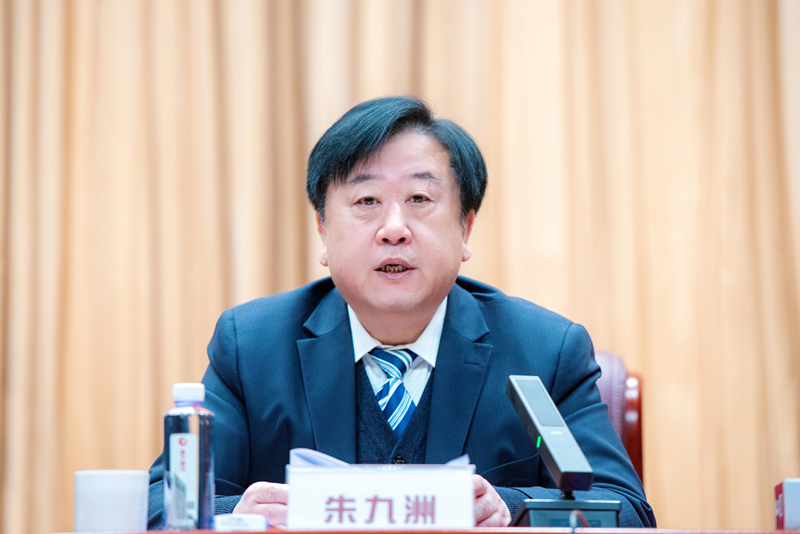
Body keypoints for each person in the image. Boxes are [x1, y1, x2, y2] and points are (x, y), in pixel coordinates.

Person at [147, 96, 656, 528]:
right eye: (367, 200)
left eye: (419, 198)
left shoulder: (545, 351)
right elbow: (156, 507)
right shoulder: (252, 348)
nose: (394, 228)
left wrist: (510, 508)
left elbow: (625, 511)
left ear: (465, 229)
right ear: (322, 230)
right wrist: (240, 514)